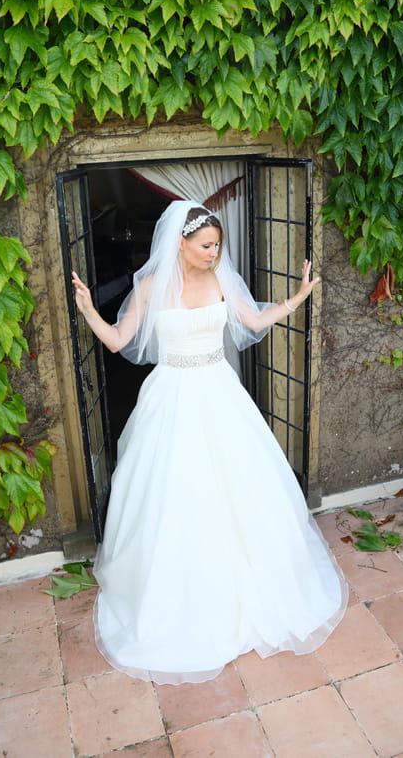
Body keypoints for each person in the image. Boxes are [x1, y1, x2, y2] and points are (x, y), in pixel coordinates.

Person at [72, 199, 347, 685]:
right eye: (205, 245)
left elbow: (254, 321)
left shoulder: (221, 279)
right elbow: (118, 341)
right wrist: (91, 310)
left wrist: (295, 299)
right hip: (171, 396)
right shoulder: (150, 286)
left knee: (240, 489)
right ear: (180, 242)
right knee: (174, 495)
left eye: (217, 245)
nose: (213, 253)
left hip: (219, 392)